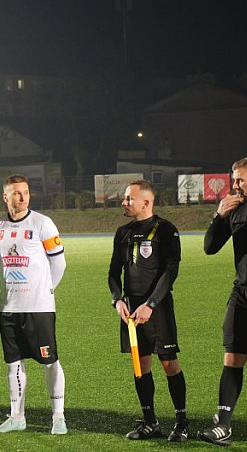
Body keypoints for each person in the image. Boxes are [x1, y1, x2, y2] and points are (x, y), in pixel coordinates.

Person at [108, 180, 188, 441]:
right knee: (140, 365)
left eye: (129, 198)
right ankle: (150, 422)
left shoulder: (166, 229)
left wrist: (151, 304)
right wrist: (118, 300)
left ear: (146, 202)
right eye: (125, 198)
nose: (124, 202)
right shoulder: (122, 232)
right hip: (131, 310)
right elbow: (113, 273)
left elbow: (171, 271)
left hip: (158, 307)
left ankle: (182, 423)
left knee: (169, 363)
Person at [0, 174, 67, 435]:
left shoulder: (42, 223)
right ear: (5, 196)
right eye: (16, 193)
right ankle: (17, 417)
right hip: (9, 307)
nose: (22, 197)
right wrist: (11, 286)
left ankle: (58, 417)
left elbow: (59, 263)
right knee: (13, 362)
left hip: (39, 307)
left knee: (49, 360)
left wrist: (46, 290)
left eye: (26, 192)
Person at [199, 156, 247, 446]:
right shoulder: (234, 209)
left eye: (240, 180)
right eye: (233, 179)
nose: (235, 185)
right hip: (243, 294)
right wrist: (219, 216)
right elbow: (210, 247)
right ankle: (223, 425)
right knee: (232, 358)